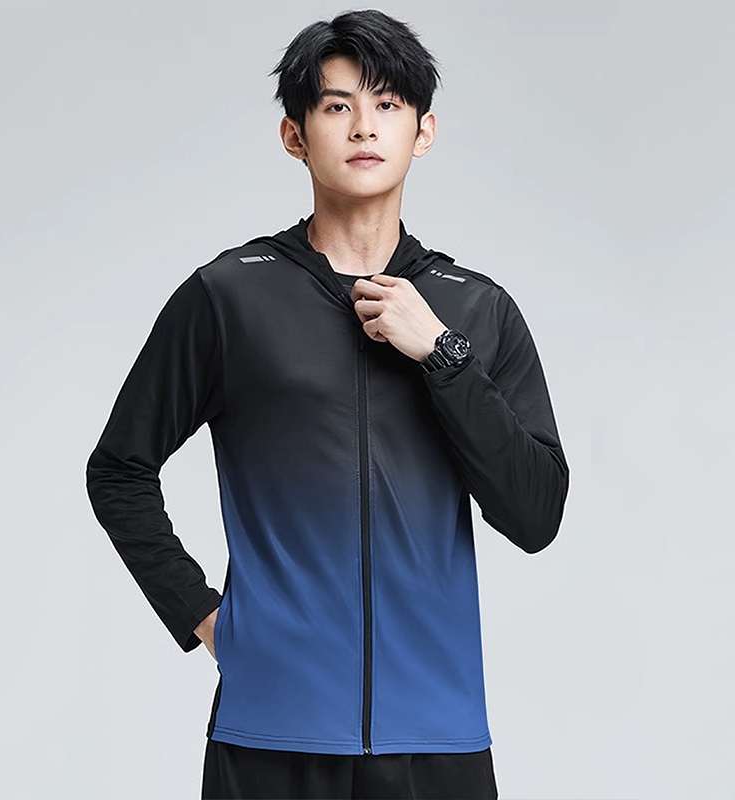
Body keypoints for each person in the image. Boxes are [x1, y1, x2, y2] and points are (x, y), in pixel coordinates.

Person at [85, 8, 570, 799]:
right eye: (337, 105)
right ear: (295, 136)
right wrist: (205, 617)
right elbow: (119, 468)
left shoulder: (476, 311)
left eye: (387, 104)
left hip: (437, 736)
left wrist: (442, 355)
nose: (363, 126)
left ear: (423, 132)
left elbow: (535, 514)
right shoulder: (230, 297)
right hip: (271, 730)